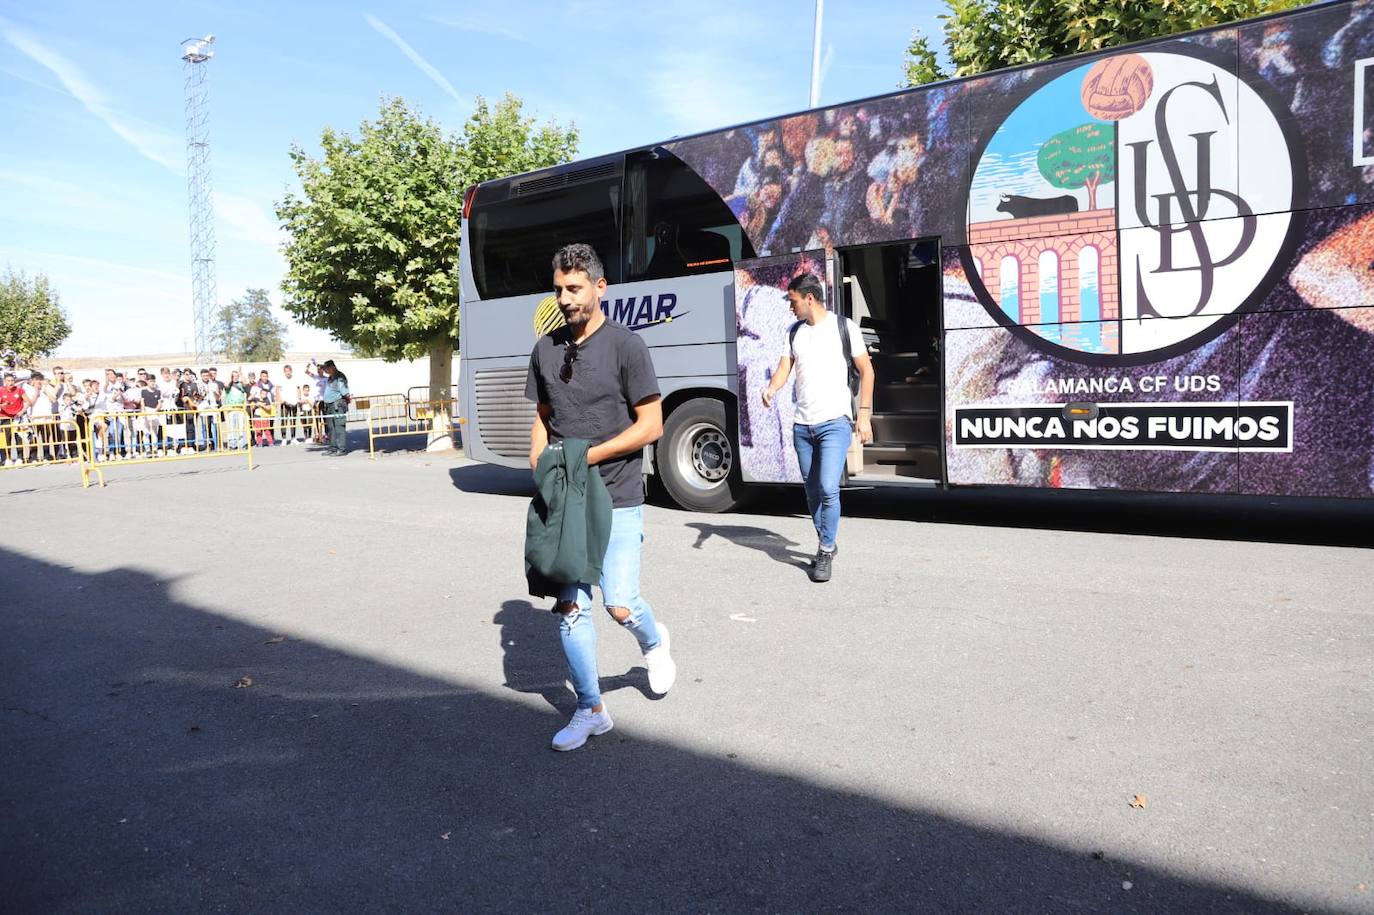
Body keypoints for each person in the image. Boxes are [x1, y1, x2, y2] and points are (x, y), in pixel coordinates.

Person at [525, 243, 677, 752]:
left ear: (598, 287)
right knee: (571, 607)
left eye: (574, 288)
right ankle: (591, 709)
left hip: (619, 494)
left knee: (619, 603)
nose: (565, 299)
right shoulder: (546, 349)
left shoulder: (627, 347)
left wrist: (587, 457)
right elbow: (543, 418)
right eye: (558, 289)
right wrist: (540, 466)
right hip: (567, 500)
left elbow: (651, 425)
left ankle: (654, 643)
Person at [760, 272, 875, 583]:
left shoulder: (843, 327)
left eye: (793, 301)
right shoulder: (794, 331)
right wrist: (772, 389)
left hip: (835, 422)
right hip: (803, 425)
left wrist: (863, 415)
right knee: (812, 493)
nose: (790, 307)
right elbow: (785, 368)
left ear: (809, 298)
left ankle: (824, 550)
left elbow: (867, 370)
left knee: (827, 486)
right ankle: (828, 540)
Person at [319, 360, 350, 454]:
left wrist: (347, 401)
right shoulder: (331, 377)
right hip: (329, 406)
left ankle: (341, 449)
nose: (325, 371)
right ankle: (333, 448)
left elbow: (345, 393)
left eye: (326, 369)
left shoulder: (339, 377)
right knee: (331, 428)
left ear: (332, 367)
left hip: (337, 405)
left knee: (339, 427)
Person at [276, 365, 300, 444]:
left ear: (291, 371)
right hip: (284, 402)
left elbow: (298, 388)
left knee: (293, 420)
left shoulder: (295, 379)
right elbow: (277, 390)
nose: (288, 373)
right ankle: (284, 438)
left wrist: (298, 399)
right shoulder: (281, 379)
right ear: (284, 372)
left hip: (293, 402)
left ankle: (293, 438)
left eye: (289, 371)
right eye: (286, 371)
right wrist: (280, 400)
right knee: (284, 421)